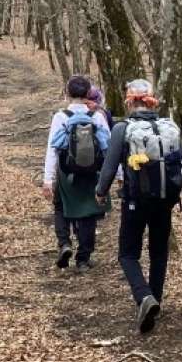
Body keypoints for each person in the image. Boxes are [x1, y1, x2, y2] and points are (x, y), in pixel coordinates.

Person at [95, 78, 182, 334]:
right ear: (152, 100)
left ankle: (143, 297)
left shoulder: (122, 128)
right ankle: (156, 302)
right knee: (159, 252)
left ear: (130, 101)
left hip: (135, 201)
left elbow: (109, 167)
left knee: (128, 254)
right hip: (166, 201)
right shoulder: (169, 127)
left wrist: (100, 192)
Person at [42, 75, 111, 274]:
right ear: (88, 93)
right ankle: (83, 259)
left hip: (66, 174)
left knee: (60, 207)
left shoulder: (60, 116)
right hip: (92, 173)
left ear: (67, 93)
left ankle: (64, 244)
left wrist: (48, 180)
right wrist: (117, 175)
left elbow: (52, 149)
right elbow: (108, 148)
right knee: (89, 214)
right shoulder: (97, 116)